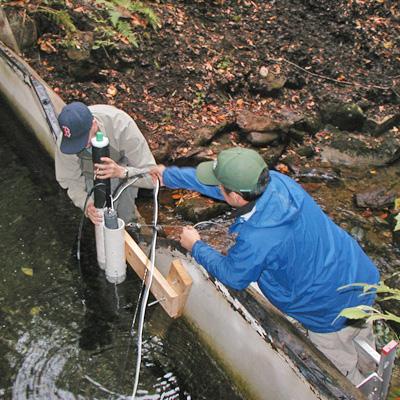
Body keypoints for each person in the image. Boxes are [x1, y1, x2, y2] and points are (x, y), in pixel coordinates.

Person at [151, 147, 380, 385]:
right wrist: (169, 176)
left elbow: (234, 275)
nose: (217, 189)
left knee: (340, 374)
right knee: (362, 339)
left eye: (221, 187)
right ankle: (372, 374)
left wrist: (196, 246)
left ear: (237, 197)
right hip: (359, 277)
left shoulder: (257, 236)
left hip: (328, 311)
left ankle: (358, 385)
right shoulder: (278, 182)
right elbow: (221, 189)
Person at [55, 102, 155, 225]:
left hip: (124, 171)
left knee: (126, 217)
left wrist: (122, 172)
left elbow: (153, 178)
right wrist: (86, 205)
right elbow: (69, 179)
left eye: (82, 140)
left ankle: (130, 225)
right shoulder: (68, 140)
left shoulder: (122, 127)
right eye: (76, 143)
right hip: (90, 175)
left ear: (94, 125)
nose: (80, 146)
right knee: (99, 214)